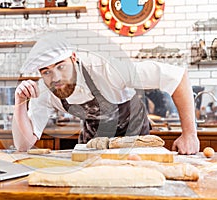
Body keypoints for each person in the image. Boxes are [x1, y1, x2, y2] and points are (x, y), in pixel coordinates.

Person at [12, 32, 200, 155]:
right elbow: (23, 145)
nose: (56, 78)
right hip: (93, 143)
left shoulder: (106, 69)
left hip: (134, 138)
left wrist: (190, 134)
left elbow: (177, 77)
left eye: (61, 66)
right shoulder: (45, 90)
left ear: (74, 58)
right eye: (46, 71)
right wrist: (20, 102)